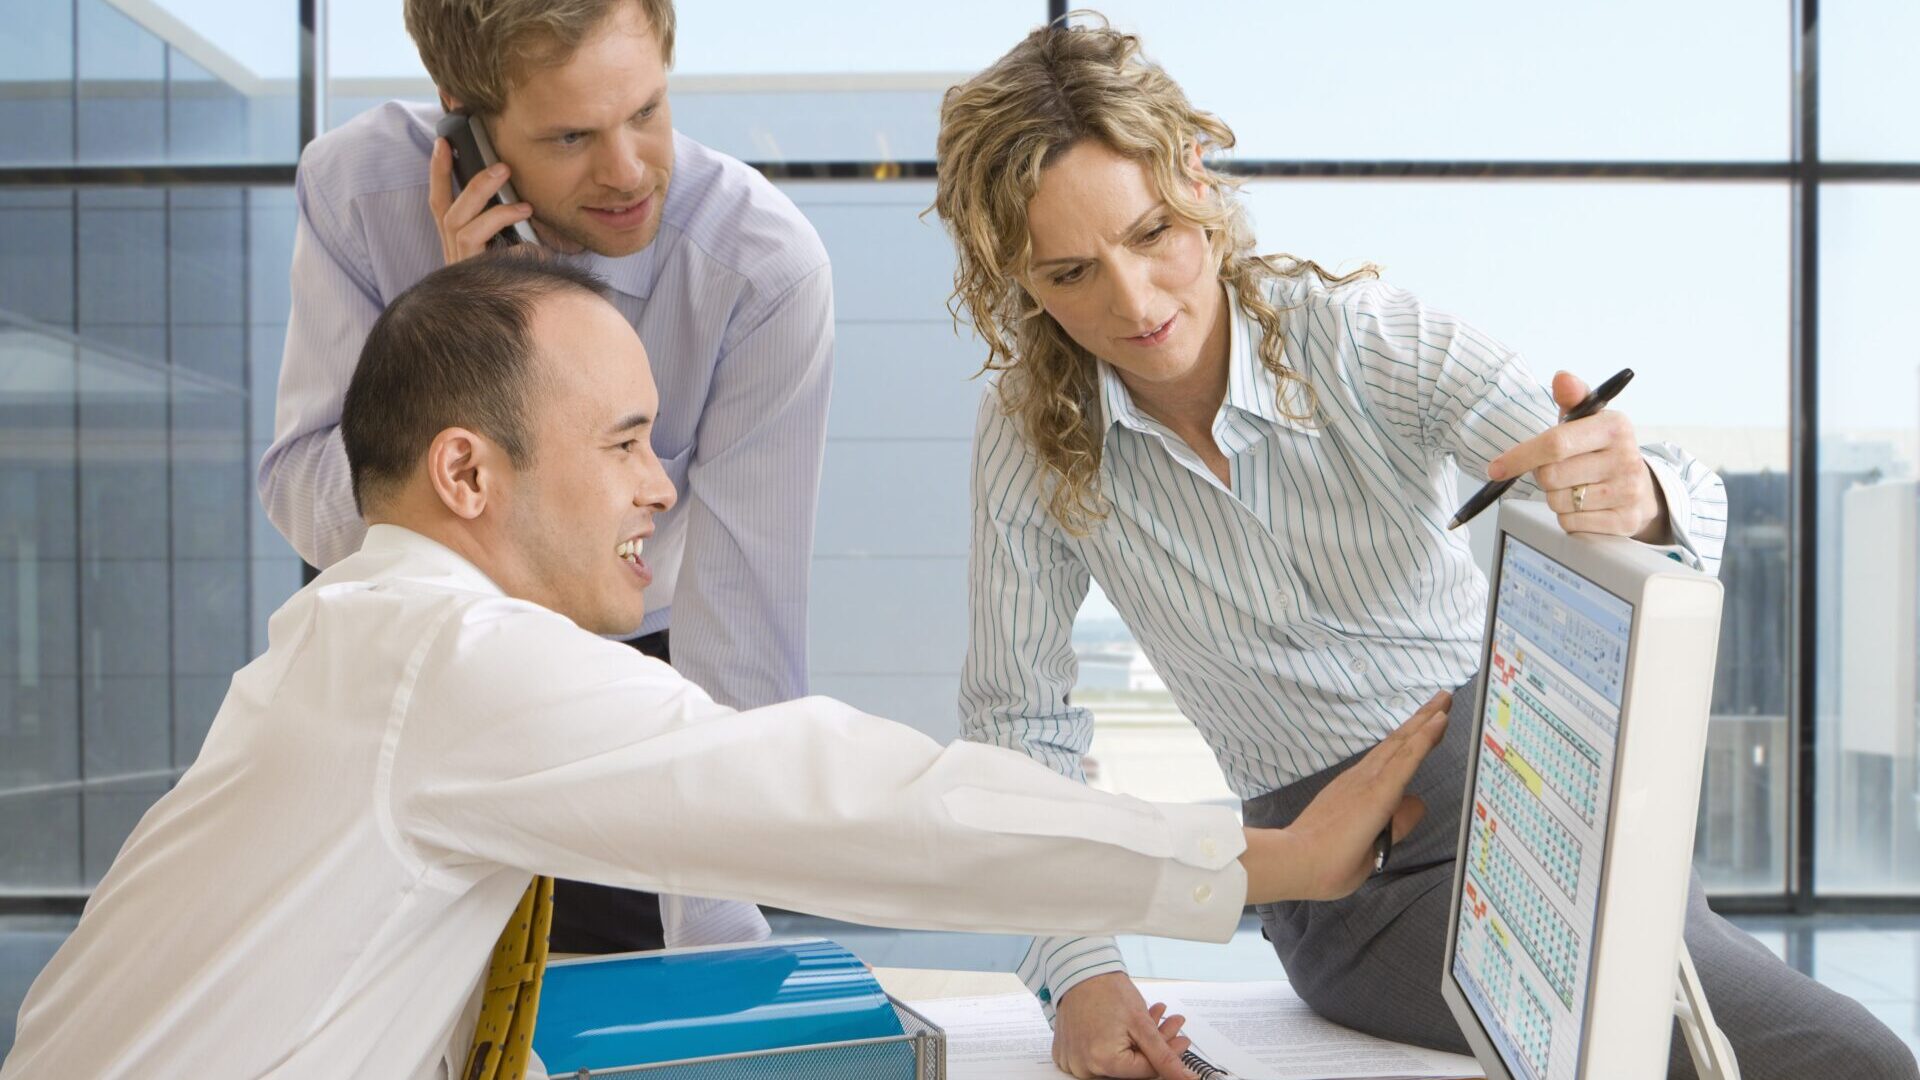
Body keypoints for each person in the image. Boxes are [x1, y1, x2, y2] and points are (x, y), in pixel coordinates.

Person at [0, 253, 1452, 1080]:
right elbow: (839, 803)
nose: (663, 491)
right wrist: (1259, 862)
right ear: (466, 472)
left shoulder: (363, 642)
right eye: (623, 443)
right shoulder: (446, 659)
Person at [932, 19, 1918, 1080]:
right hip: (1342, 888)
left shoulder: (1358, 339)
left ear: (1199, 180)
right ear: (1016, 284)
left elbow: (1651, 479)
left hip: (1539, 798)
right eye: (1070, 273)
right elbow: (1017, 725)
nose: (1132, 303)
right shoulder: (1026, 441)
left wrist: (1631, 500)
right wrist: (1078, 972)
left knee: (1843, 1058)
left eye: (1151, 233)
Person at [258, 0, 823, 952]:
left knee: (615, 968)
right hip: (407, 637)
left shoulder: (759, 273)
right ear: (463, 108)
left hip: (628, 657)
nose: (629, 171)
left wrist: (723, 952)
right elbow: (302, 495)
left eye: (646, 111)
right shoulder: (357, 191)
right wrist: (449, 338)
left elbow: (743, 621)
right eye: (570, 136)